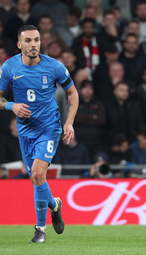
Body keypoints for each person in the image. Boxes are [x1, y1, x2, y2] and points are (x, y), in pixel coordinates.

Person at [0, 25, 79, 243]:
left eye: (36, 40)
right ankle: (55, 205)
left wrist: (69, 122)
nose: (33, 44)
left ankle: (40, 229)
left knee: (37, 173)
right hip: (26, 130)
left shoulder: (54, 67)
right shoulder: (9, 68)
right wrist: (11, 107)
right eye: (28, 41)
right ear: (19, 45)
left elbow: (73, 93)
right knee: (37, 179)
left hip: (49, 127)